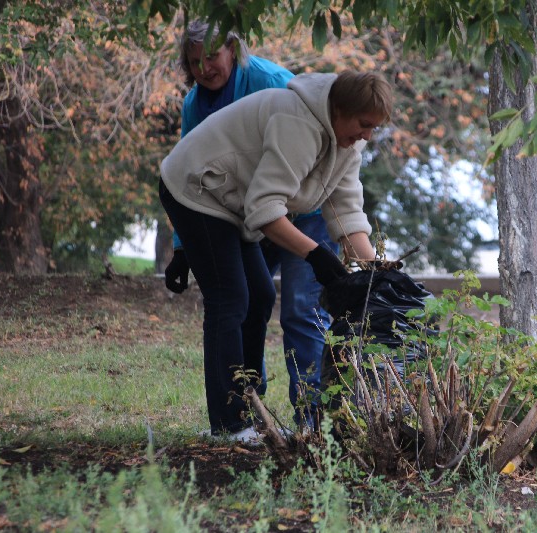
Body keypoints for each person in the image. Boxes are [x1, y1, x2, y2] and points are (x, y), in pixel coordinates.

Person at [159, 67, 392, 441]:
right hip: (196, 189)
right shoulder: (296, 121)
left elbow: (346, 211)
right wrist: (317, 256)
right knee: (230, 298)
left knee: (262, 295)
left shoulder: (348, 142)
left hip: (229, 202)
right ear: (340, 109)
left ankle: (252, 411)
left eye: (373, 128)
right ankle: (229, 423)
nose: (367, 135)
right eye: (364, 124)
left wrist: (378, 274)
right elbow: (266, 209)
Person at [163, 21, 342, 438]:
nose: (204, 68)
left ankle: (307, 419)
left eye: (211, 56)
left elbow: (316, 152)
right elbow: (189, 171)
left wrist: (319, 249)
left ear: (233, 50)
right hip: (246, 211)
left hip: (300, 206)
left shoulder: (272, 82)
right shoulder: (195, 102)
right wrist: (182, 245)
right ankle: (236, 413)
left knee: (292, 306)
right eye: (194, 62)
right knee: (235, 299)